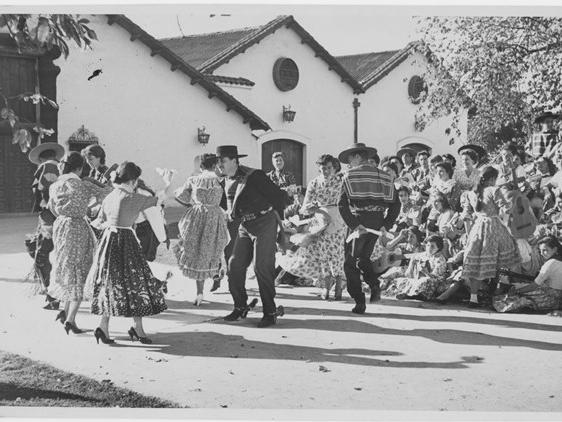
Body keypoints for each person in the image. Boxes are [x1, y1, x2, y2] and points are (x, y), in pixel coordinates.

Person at [86, 162, 173, 344]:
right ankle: (137, 328)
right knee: (136, 284)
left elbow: (98, 221)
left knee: (109, 284)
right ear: (133, 180)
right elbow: (158, 199)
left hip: (108, 241)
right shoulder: (132, 198)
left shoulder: (110, 197)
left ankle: (103, 327)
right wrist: (166, 181)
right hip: (126, 240)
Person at [217, 145, 291, 327]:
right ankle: (240, 307)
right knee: (235, 265)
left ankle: (270, 312)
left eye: (223, 161)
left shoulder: (254, 176)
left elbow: (278, 197)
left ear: (235, 160)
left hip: (265, 221)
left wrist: (281, 226)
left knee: (261, 267)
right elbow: (227, 206)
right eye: (218, 162)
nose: (219, 165)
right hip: (245, 225)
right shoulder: (225, 180)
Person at [47, 152, 112, 335]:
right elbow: (107, 193)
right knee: (79, 269)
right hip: (76, 226)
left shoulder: (56, 185)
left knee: (66, 266)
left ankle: (65, 311)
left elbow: (52, 208)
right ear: (79, 168)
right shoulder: (83, 184)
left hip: (60, 225)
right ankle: (70, 319)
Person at [338, 142, 400, 313]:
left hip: (359, 221)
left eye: (351, 158)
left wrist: (355, 224)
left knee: (350, 263)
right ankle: (374, 284)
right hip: (377, 222)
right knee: (363, 258)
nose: (349, 163)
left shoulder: (349, 176)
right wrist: (385, 224)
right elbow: (396, 205)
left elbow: (342, 205)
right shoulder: (386, 177)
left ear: (358, 156)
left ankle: (359, 301)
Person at [277, 154, 346, 300]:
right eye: (323, 169)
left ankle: (338, 287)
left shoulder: (341, 182)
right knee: (323, 255)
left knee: (337, 253)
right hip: (320, 221)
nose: (326, 171)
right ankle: (327, 288)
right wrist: (317, 210)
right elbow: (304, 208)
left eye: (328, 168)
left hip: (338, 219)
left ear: (334, 168)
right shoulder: (314, 183)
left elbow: (349, 200)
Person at [174, 153, 230, 306]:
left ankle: (199, 292)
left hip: (197, 215)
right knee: (213, 248)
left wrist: (194, 205)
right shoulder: (221, 179)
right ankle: (216, 275)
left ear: (201, 166)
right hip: (214, 216)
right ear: (214, 165)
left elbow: (180, 196)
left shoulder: (193, 179)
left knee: (198, 251)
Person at [461, 166, 521, 308]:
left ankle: (473, 298)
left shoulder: (469, 193)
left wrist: (469, 234)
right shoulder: (494, 190)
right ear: (493, 179)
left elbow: (466, 216)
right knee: (505, 261)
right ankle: (498, 293)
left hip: (477, 228)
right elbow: (507, 209)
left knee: (476, 264)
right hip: (494, 227)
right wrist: (515, 196)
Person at [27, 142, 64, 310]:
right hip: (58, 216)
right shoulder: (59, 167)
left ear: (42, 158)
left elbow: (45, 191)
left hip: (50, 218)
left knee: (42, 254)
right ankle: (53, 292)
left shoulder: (47, 167)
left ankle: (51, 293)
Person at [493, 236, 562, 313]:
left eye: (545, 250)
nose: (542, 254)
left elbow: (533, 286)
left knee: (504, 300)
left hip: (550, 298)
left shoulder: (550, 263)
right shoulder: (557, 261)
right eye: (540, 251)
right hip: (558, 299)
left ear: (555, 249)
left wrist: (517, 291)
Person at [393, 235, 448, 301]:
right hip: (417, 278)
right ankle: (410, 294)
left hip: (433, 281)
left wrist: (425, 272)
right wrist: (411, 265)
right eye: (428, 245)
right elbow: (408, 274)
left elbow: (436, 277)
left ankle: (413, 295)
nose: (429, 248)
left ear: (438, 248)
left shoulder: (440, 259)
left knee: (426, 280)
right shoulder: (421, 255)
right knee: (402, 278)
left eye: (432, 246)